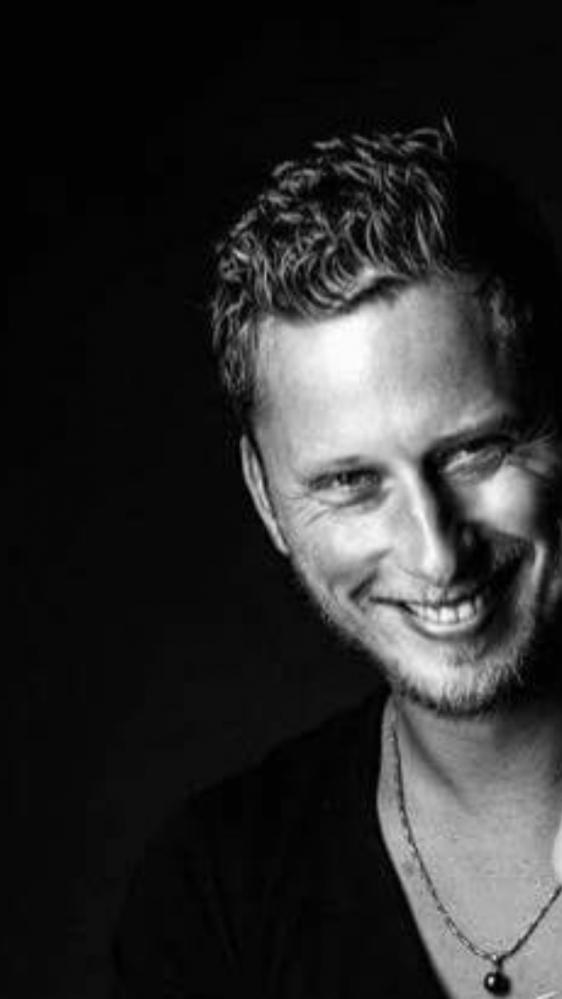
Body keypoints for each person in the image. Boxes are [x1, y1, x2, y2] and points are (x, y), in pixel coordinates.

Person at [112, 124, 562, 997]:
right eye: (353, 482)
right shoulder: (216, 898)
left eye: (475, 450)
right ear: (265, 495)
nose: (437, 552)